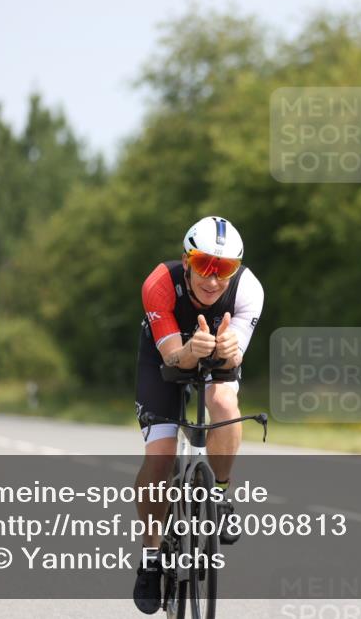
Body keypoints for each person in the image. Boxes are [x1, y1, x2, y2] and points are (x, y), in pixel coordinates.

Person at [133, 216, 264, 614]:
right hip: (165, 357)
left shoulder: (248, 289)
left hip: (215, 355)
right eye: (204, 264)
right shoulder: (159, 283)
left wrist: (228, 349)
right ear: (186, 260)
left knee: (224, 405)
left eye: (224, 268)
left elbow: (234, 357)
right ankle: (151, 557)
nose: (212, 278)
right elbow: (172, 358)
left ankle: (220, 495)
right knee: (160, 457)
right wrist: (191, 350)